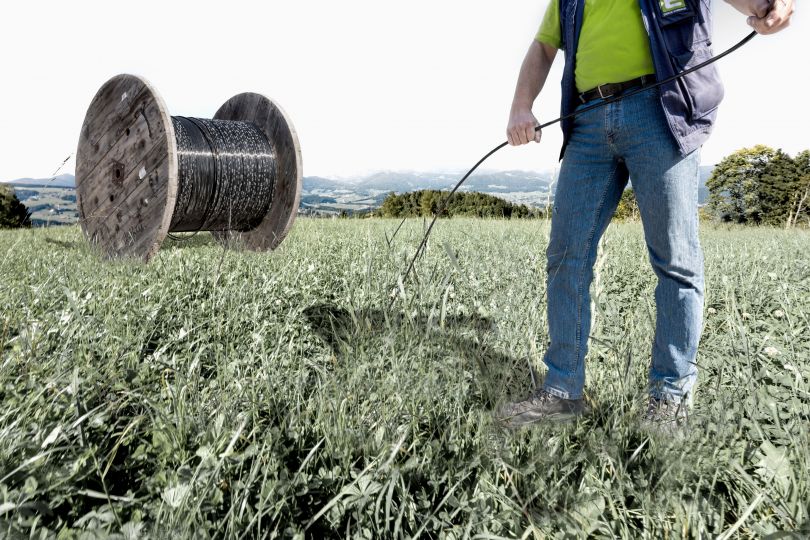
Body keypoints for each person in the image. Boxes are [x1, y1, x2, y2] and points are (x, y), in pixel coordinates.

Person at [497, 0, 794, 431]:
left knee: (676, 260)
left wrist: (769, 6)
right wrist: (520, 106)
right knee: (565, 255)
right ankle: (562, 392)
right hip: (587, 121)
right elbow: (544, 47)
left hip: (660, 108)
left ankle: (669, 400)